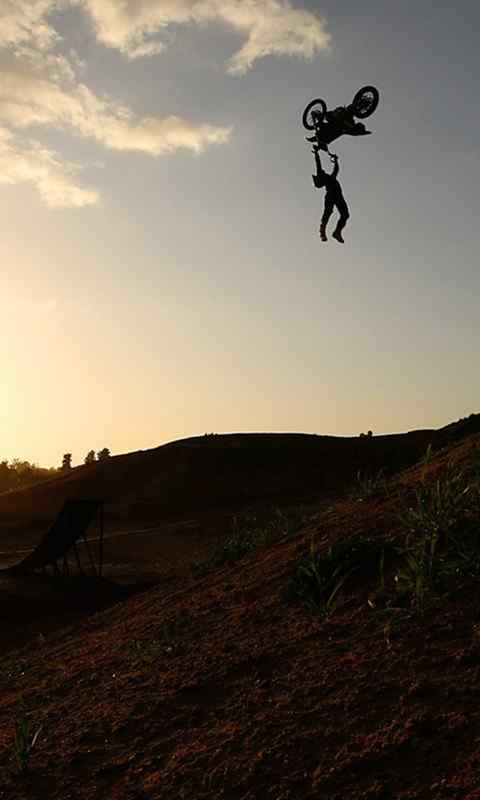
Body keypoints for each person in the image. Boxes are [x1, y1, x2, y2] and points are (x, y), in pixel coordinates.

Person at [311, 146, 350, 243]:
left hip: (338, 196)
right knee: (328, 212)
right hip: (332, 195)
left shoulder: (331, 178)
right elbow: (318, 165)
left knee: (345, 214)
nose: (323, 170)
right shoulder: (325, 178)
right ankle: (322, 231)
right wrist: (316, 154)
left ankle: (337, 232)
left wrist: (335, 161)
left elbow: (336, 170)